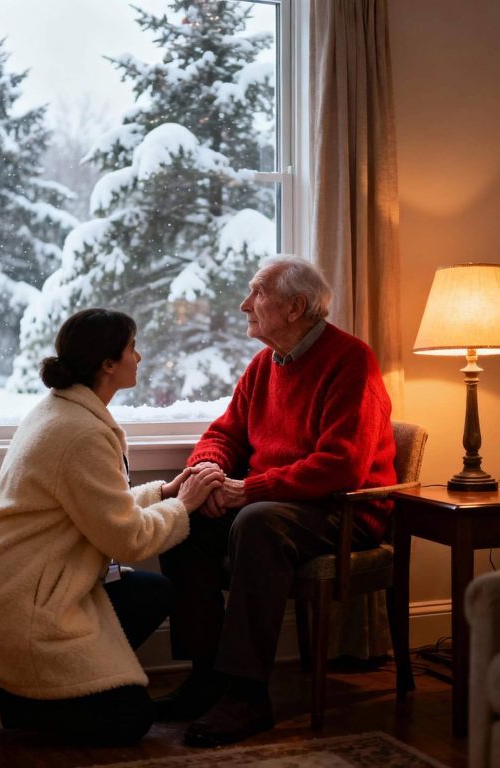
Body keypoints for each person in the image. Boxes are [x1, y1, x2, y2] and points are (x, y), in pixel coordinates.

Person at [0, 307, 223, 745]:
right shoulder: (81, 433)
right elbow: (128, 539)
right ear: (107, 364)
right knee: (132, 720)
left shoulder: (61, 412)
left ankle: (23, 688)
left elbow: (96, 509)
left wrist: (164, 495)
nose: (140, 357)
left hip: (24, 586)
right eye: (132, 348)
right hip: (23, 604)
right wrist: (184, 507)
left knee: (153, 593)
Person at [156, 256, 397, 747]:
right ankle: (209, 677)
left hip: (345, 510)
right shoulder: (265, 364)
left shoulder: (351, 360)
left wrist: (250, 489)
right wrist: (209, 473)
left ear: (295, 308)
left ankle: (248, 696)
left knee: (258, 523)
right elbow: (225, 432)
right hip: (286, 505)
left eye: (257, 294)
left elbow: (341, 465)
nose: (245, 304)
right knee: (181, 520)